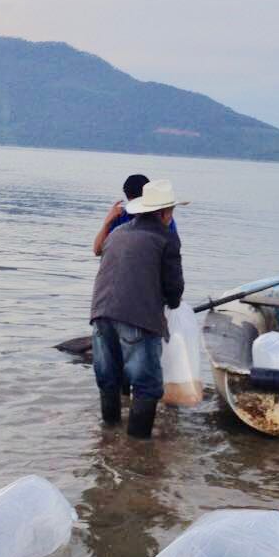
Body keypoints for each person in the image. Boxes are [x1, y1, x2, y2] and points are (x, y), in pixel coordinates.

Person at [89, 179, 187, 439]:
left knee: (109, 379)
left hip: (100, 314)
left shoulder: (117, 233)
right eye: (171, 210)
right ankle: (139, 448)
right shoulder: (166, 237)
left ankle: (108, 437)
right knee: (146, 386)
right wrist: (173, 305)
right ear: (164, 213)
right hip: (137, 318)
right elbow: (174, 286)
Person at [93, 173, 178, 257]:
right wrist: (107, 222)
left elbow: (171, 252)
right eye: (133, 203)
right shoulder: (120, 215)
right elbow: (97, 251)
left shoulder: (163, 218)